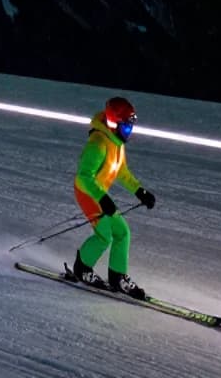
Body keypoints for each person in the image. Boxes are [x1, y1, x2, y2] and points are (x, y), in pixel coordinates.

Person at [72, 96, 156, 299]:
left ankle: (117, 277)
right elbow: (83, 177)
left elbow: (121, 171)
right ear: (113, 123)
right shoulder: (98, 144)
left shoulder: (116, 143)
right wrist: (102, 198)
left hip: (100, 194)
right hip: (88, 193)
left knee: (122, 232)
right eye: (126, 127)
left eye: (130, 127)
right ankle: (82, 268)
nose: (129, 132)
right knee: (105, 235)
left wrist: (140, 191)